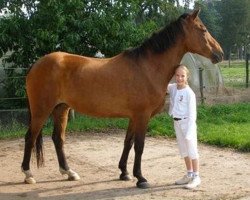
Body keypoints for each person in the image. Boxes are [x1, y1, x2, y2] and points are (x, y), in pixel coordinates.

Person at [167, 64, 201, 189]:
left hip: (187, 123)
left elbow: (193, 114)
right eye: (177, 75)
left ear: (187, 77)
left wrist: (190, 131)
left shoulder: (189, 93)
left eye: (182, 76)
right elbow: (161, 85)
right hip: (177, 123)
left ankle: (196, 177)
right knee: (184, 151)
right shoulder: (173, 88)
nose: (179, 78)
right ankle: (189, 174)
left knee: (192, 150)